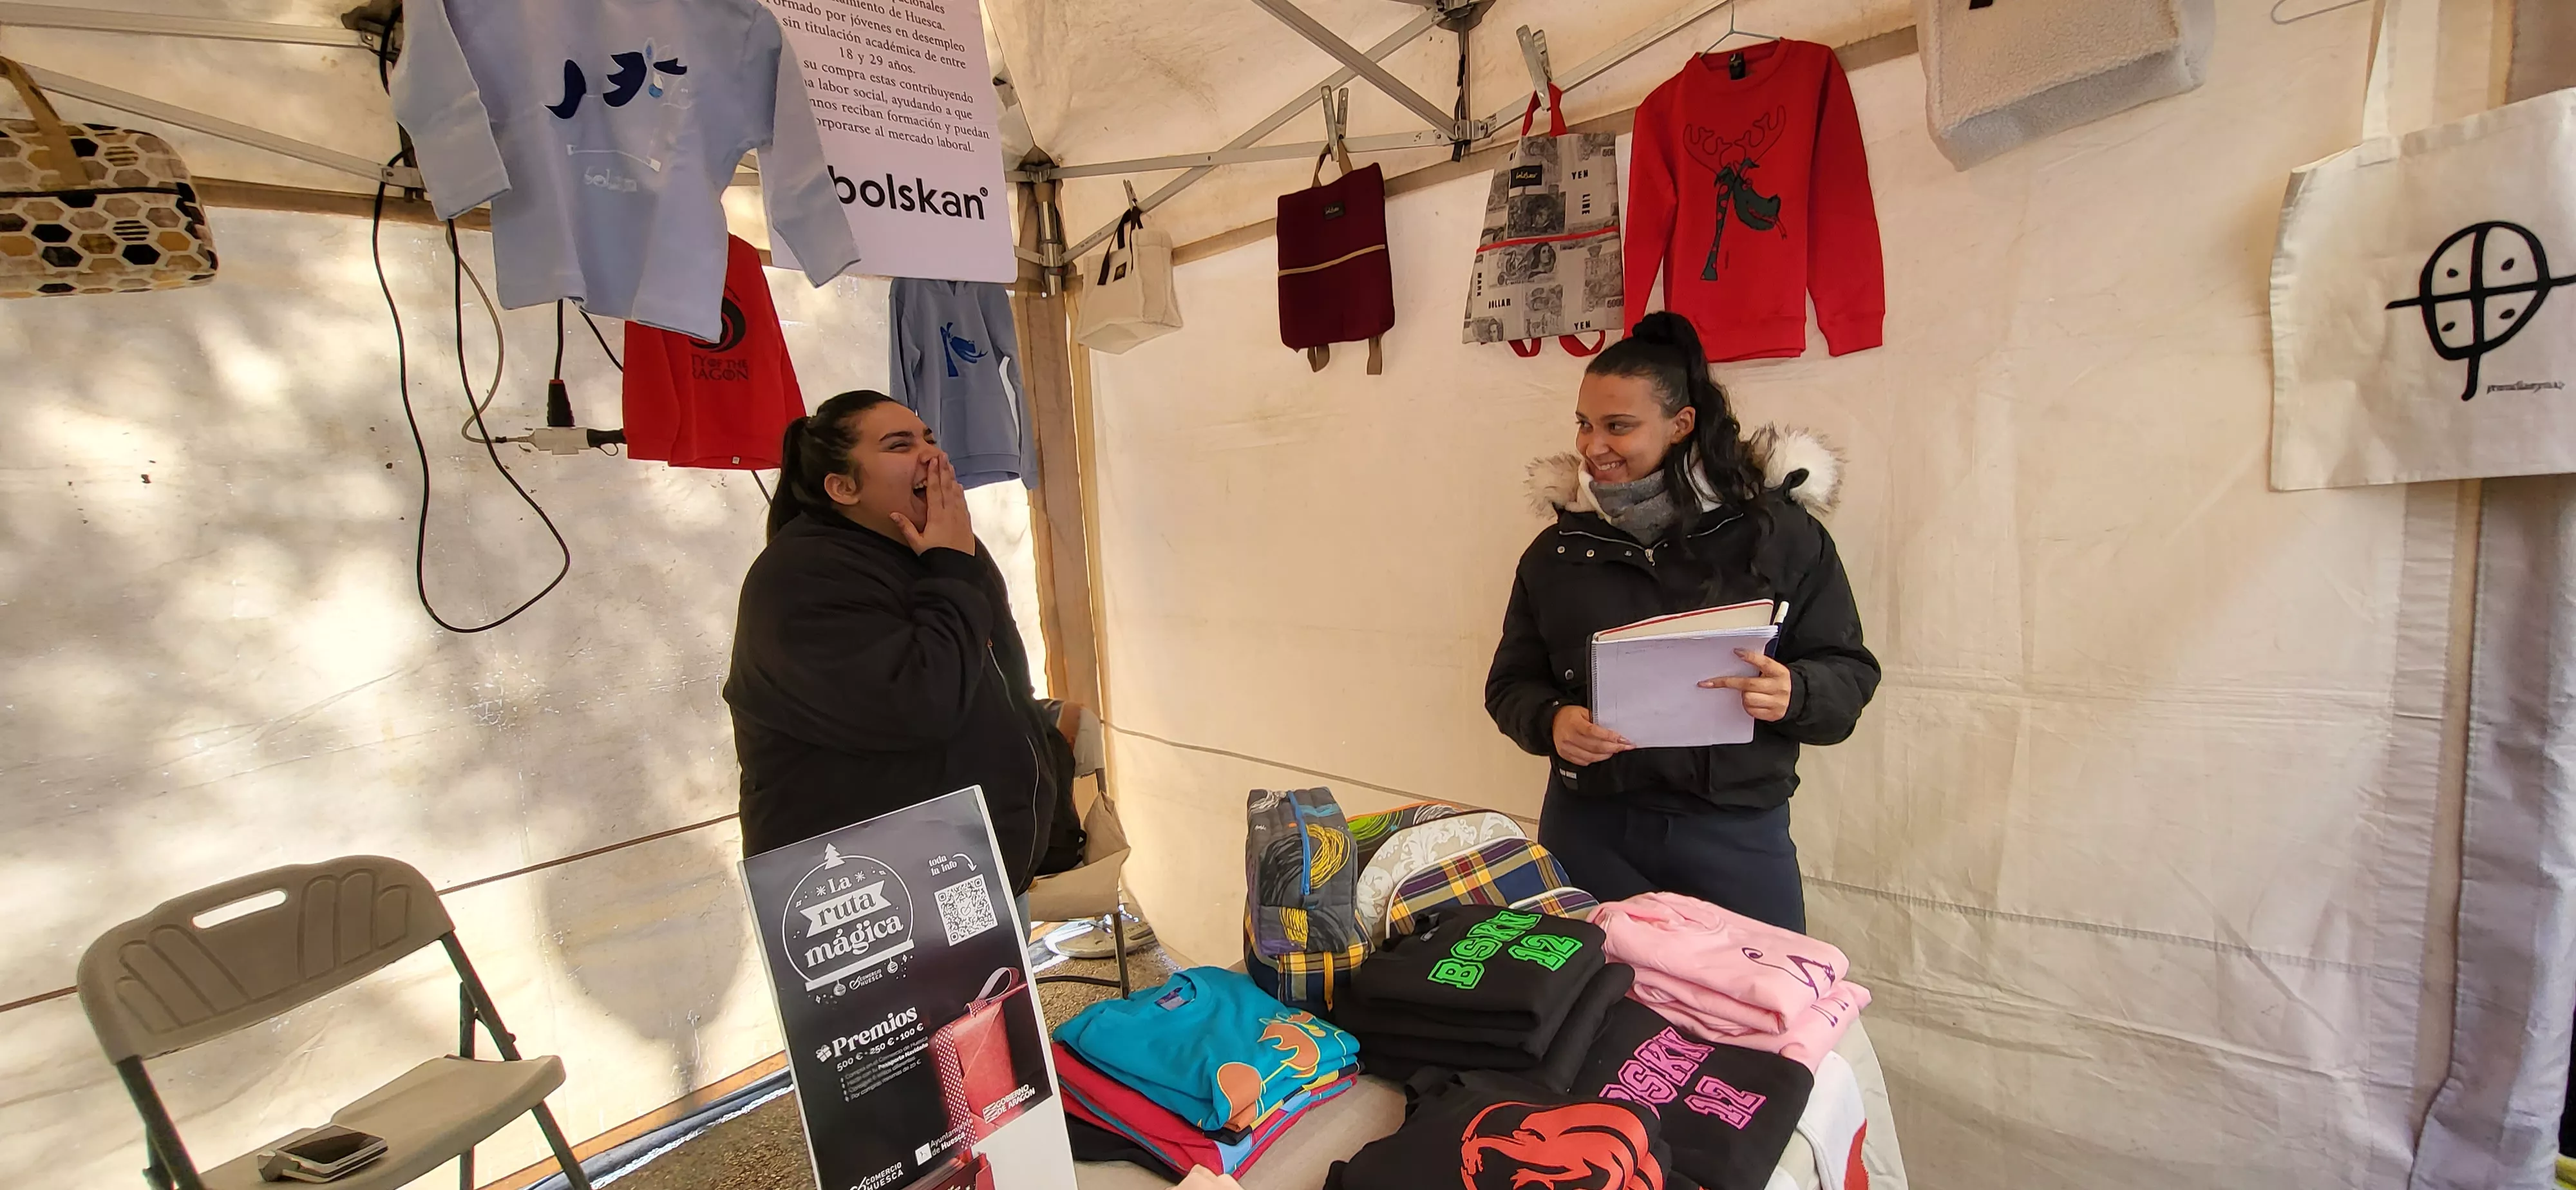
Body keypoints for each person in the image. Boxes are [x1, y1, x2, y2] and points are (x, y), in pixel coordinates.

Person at [1485, 313, 1880, 932]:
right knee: (1591, 1015)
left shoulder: (1779, 535)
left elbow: (1848, 675)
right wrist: (1551, 719)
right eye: (1585, 424)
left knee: (1756, 1016)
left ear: (1681, 424)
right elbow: (1510, 684)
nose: (1593, 447)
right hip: (1591, 827)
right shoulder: (1556, 552)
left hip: (1734, 833)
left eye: (1619, 426)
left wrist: (1795, 692)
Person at [723, 390, 1074, 898]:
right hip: (873, 898)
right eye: (899, 445)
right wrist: (951, 566)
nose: (932, 455)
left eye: (930, 437)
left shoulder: (944, 550)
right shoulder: (802, 577)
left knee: (992, 984)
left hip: (971, 869)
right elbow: (923, 704)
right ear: (843, 487)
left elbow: (1005, 680)